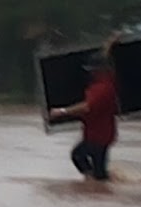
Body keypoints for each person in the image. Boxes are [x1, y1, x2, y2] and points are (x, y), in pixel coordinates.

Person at [51, 46, 119, 182]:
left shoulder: (102, 88)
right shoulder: (109, 80)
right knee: (91, 163)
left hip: (99, 136)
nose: (91, 73)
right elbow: (105, 58)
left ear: (100, 70)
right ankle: (98, 181)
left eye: (93, 70)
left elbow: (86, 107)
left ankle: (95, 183)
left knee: (79, 156)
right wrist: (111, 44)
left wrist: (62, 111)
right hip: (101, 134)